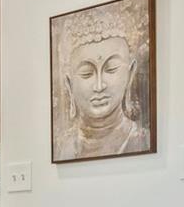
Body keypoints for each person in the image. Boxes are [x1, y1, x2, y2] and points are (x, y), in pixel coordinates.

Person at [54, 16, 151, 160]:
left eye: (111, 69)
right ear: (69, 84)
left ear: (130, 74)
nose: (99, 86)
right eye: (86, 73)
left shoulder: (143, 140)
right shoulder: (62, 147)